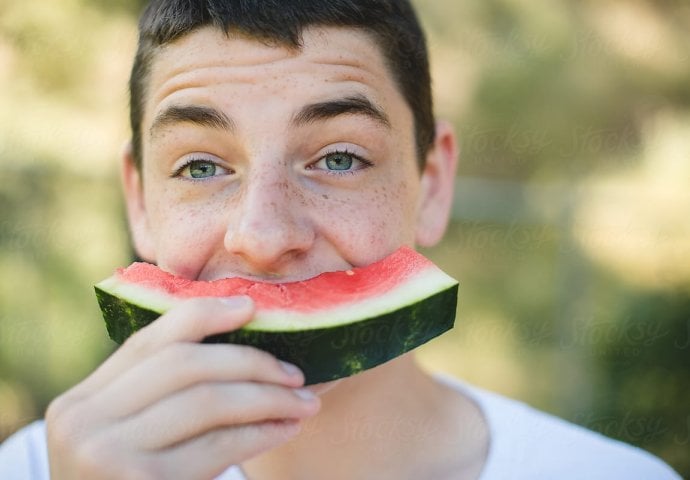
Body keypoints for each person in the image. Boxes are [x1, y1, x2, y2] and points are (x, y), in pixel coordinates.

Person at [0, 1, 682, 478]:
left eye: (339, 158)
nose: (263, 237)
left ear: (434, 181)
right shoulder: (42, 470)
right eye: (201, 166)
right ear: (140, 201)